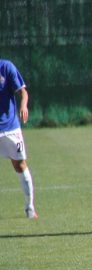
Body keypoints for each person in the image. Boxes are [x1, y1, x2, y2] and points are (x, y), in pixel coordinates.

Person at [0, 58, 36, 219]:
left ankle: (30, 207)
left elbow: (23, 91)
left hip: (10, 128)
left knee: (20, 165)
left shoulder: (6, 67)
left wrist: (23, 105)